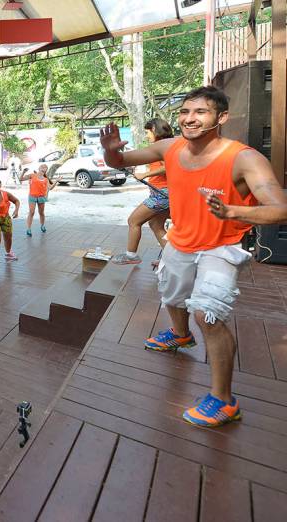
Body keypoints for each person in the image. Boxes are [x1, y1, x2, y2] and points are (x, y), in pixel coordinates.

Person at [100, 86, 287, 427]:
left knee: (208, 315)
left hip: (221, 247)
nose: (190, 118)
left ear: (221, 118)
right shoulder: (170, 147)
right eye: (185, 111)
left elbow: (281, 209)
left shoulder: (244, 158)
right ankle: (178, 334)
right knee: (172, 295)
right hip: (180, 242)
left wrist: (234, 212)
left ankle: (223, 400)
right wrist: (110, 151)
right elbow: (121, 161)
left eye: (201, 112)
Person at [111, 118, 174, 265]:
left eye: (147, 132)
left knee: (133, 221)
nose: (146, 135)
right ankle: (173, 259)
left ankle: (131, 255)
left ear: (155, 130)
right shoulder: (163, 145)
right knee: (156, 225)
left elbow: (168, 167)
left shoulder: (162, 146)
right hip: (163, 193)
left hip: (162, 194)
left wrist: (145, 174)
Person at [21, 164, 57, 236]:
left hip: (41, 197)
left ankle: (42, 225)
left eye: (45, 168)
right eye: (42, 167)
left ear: (45, 170)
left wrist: (56, 181)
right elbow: (21, 179)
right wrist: (23, 172)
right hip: (32, 196)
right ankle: (28, 229)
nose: (43, 168)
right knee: (31, 212)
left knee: (41, 212)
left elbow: (50, 188)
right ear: (39, 168)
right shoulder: (32, 175)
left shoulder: (46, 179)